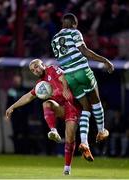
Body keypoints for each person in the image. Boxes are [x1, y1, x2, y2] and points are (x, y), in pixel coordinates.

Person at [51, 13, 114, 160]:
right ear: (74, 24)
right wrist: (105, 60)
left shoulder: (54, 39)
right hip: (82, 71)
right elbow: (84, 51)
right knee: (96, 101)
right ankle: (101, 130)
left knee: (86, 108)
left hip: (69, 77)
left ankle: (85, 142)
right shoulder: (74, 32)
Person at [6, 59, 81, 175]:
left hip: (73, 106)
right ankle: (53, 130)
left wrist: (65, 89)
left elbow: (63, 78)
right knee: (46, 103)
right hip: (61, 108)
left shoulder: (51, 69)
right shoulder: (40, 84)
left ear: (43, 65)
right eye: (32, 70)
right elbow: (28, 97)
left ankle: (67, 168)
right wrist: (12, 106)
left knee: (69, 137)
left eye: (36, 66)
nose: (35, 70)